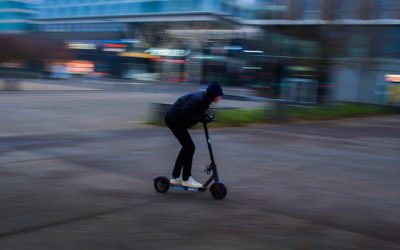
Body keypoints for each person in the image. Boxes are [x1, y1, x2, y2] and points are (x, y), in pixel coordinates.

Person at [164, 83, 223, 188]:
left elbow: (197, 112)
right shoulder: (198, 99)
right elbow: (184, 112)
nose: (220, 97)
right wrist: (201, 118)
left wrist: (206, 116)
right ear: (213, 94)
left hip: (177, 120)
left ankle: (176, 177)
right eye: (219, 95)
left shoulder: (205, 100)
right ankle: (186, 178)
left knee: (187, 147)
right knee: (189, 147)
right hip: (174, 119)